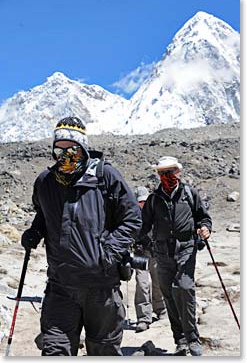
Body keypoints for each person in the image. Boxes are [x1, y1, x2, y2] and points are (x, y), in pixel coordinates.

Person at [21, 116, 142, 356]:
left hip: (102, 288)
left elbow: (132, 219)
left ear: (83, 148)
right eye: (59, 149)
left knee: (103, 351)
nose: (64, 154)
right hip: (60, 287)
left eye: (71, 149)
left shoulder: (106, 176)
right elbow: (44, 214)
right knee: (55, 350)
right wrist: (35, 232)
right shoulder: (45, 182)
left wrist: (107, 254)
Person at [139, 156, 212, 356]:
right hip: (162, 253)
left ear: (178, 172)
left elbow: (203, 217)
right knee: (169, 295)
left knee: (185, 289)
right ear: (158, 174)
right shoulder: (154, 199)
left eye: (170, 172)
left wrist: (205, 228)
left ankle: (193, 338)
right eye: (163, 173)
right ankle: (180, 340)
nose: (167, 176)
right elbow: (143, 227)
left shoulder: (190, 193)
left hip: (186, 250)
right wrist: (142, 242)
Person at [133, 186, 166, 333]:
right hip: (140, 253)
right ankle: (143, 318)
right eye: (140, 202)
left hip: (156, 252)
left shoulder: (156, 212)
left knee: (158, 282)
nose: (142, 204)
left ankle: (161, 310)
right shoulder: (131, 215)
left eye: (144, 201)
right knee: (142, 284)